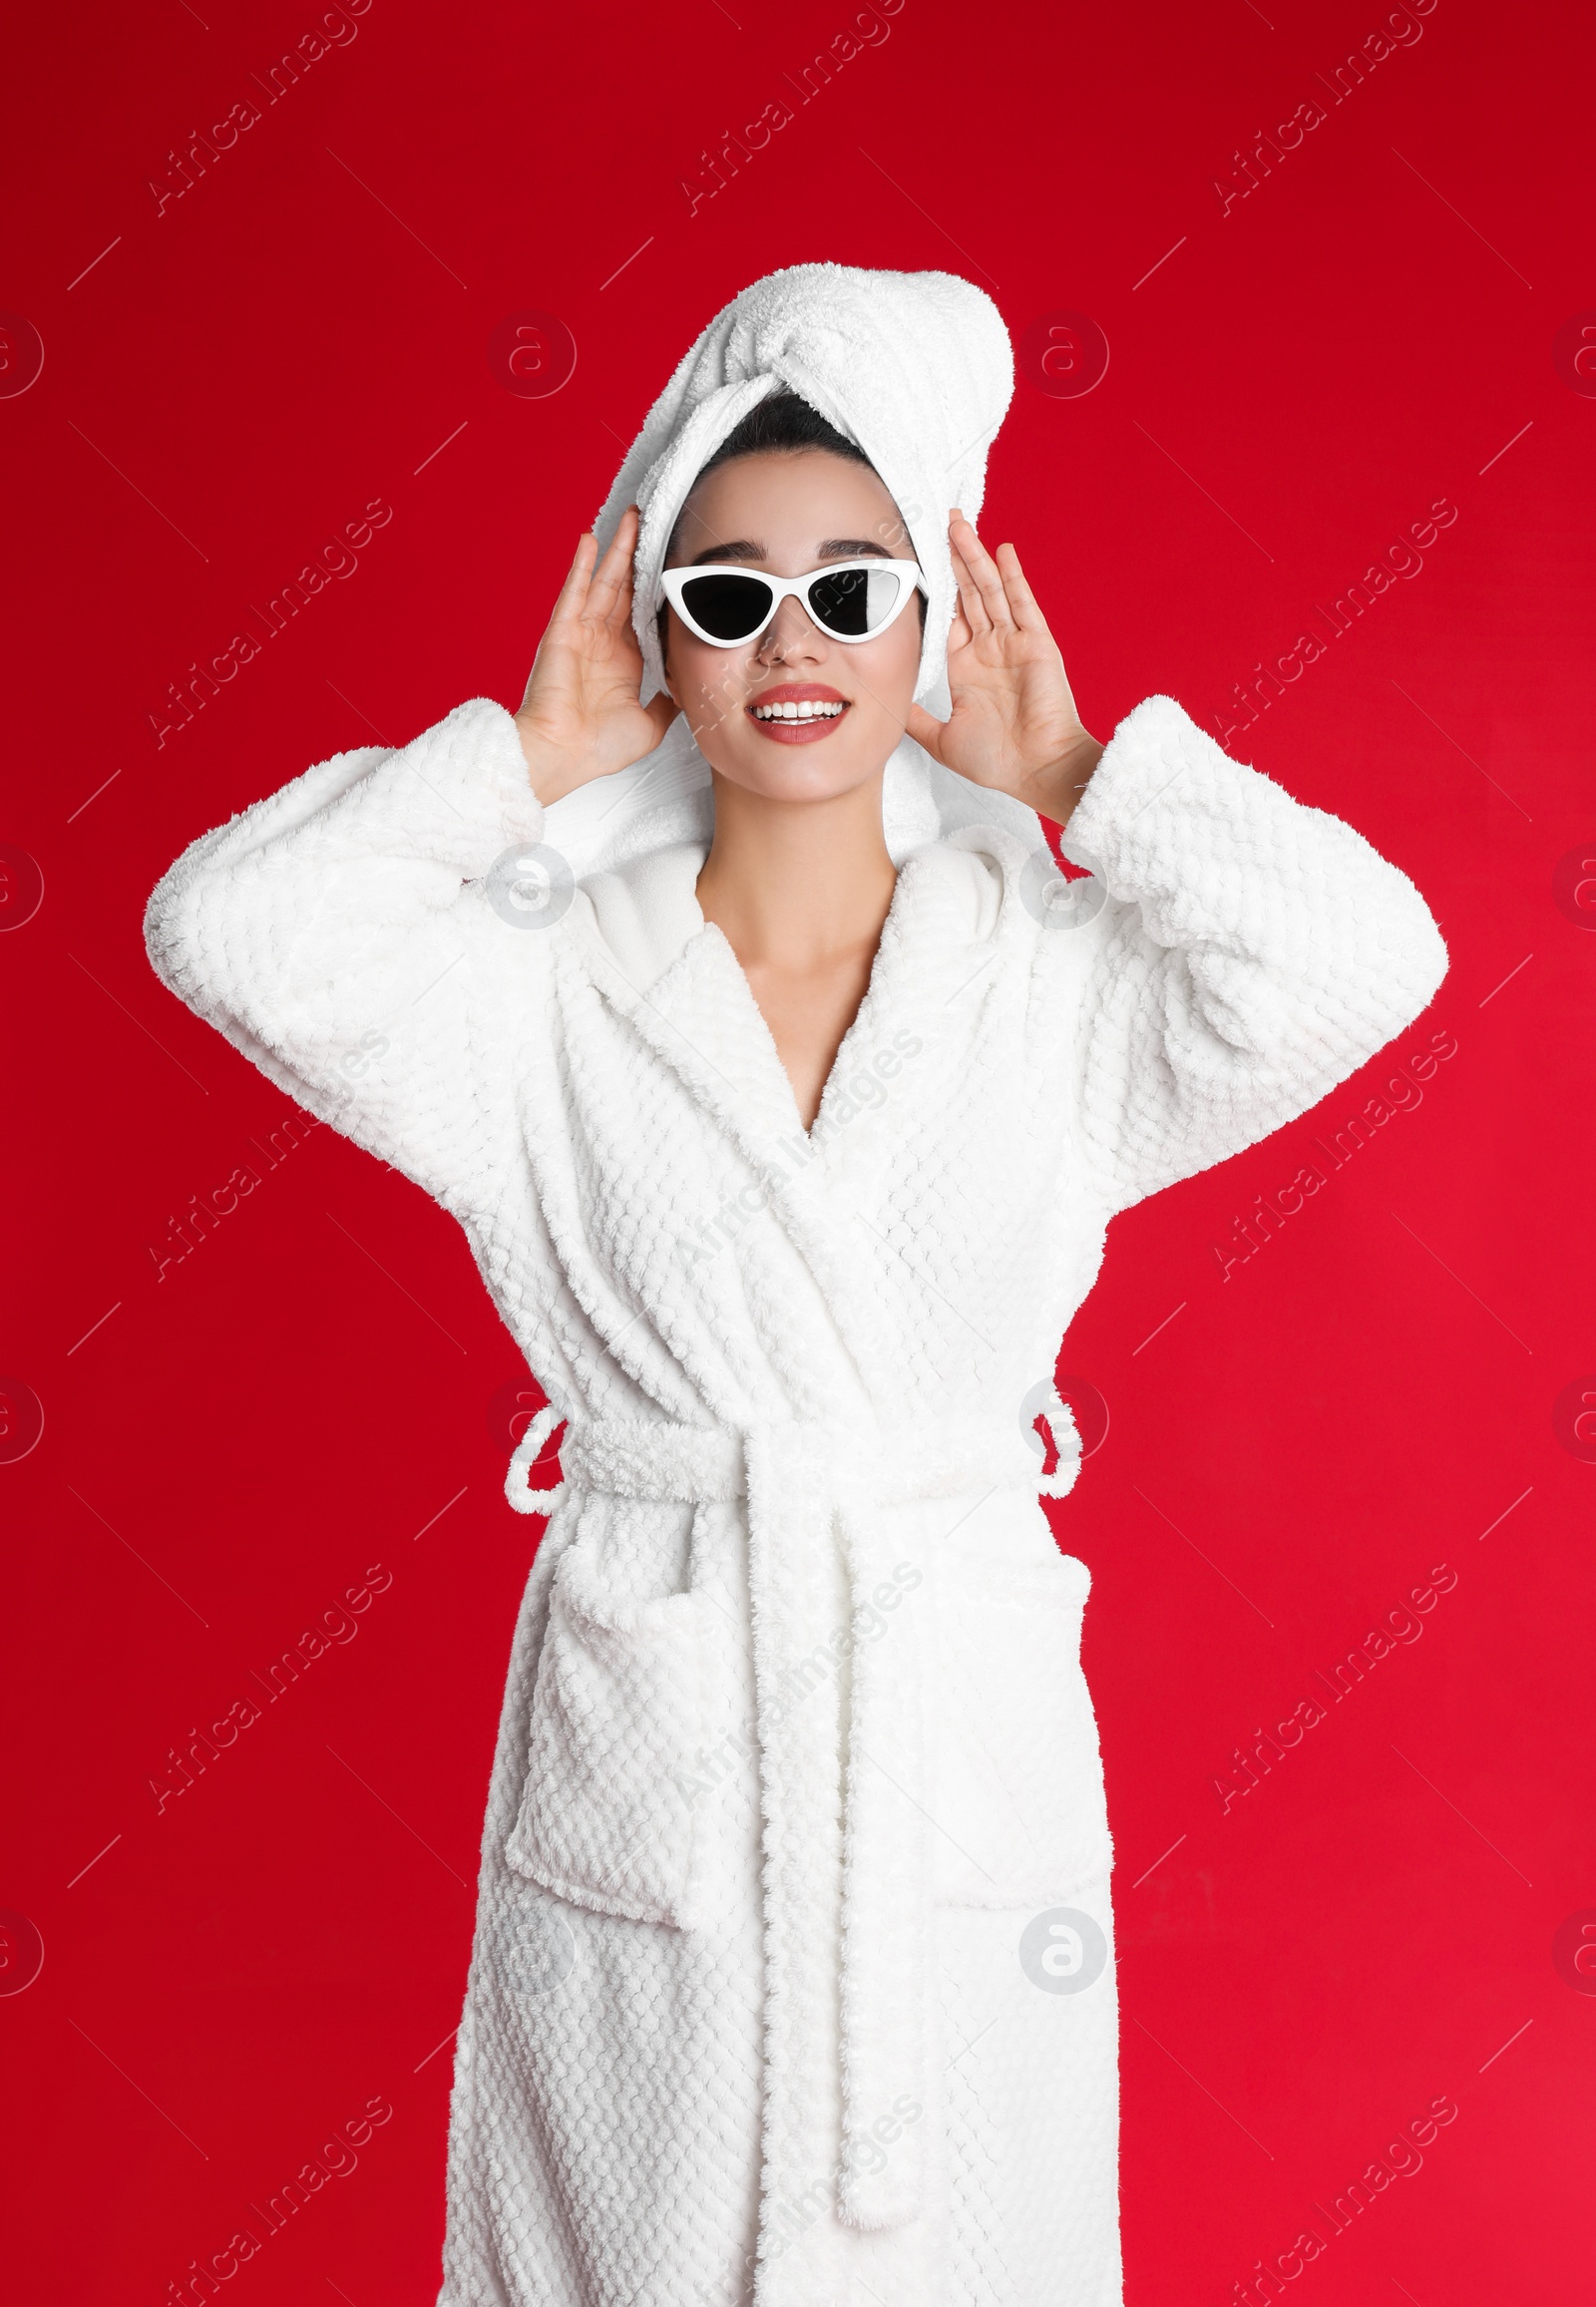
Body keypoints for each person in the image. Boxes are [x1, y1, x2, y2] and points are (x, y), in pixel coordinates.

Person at [144, 263, 1448, 2307]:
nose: (792, 641)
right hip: (655, 1747)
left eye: (854, 585)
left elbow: (1367, 958)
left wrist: (1089, 773)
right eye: (724, 588)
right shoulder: (534, 993)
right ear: (654, 624)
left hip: (957, 1756)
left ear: (935, 612)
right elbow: (228, 926)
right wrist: (520, 757)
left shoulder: (1045, 990)